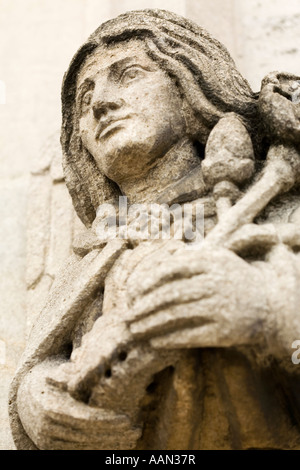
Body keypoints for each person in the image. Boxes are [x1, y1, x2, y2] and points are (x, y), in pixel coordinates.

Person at [10, 9, 300, 450]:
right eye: (85, 98)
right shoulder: (96, 255)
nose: (100, 103)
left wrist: (269, 309)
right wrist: (34, 400)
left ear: (191, 89)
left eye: (128, 74)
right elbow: (47, 357)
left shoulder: (277, 209)